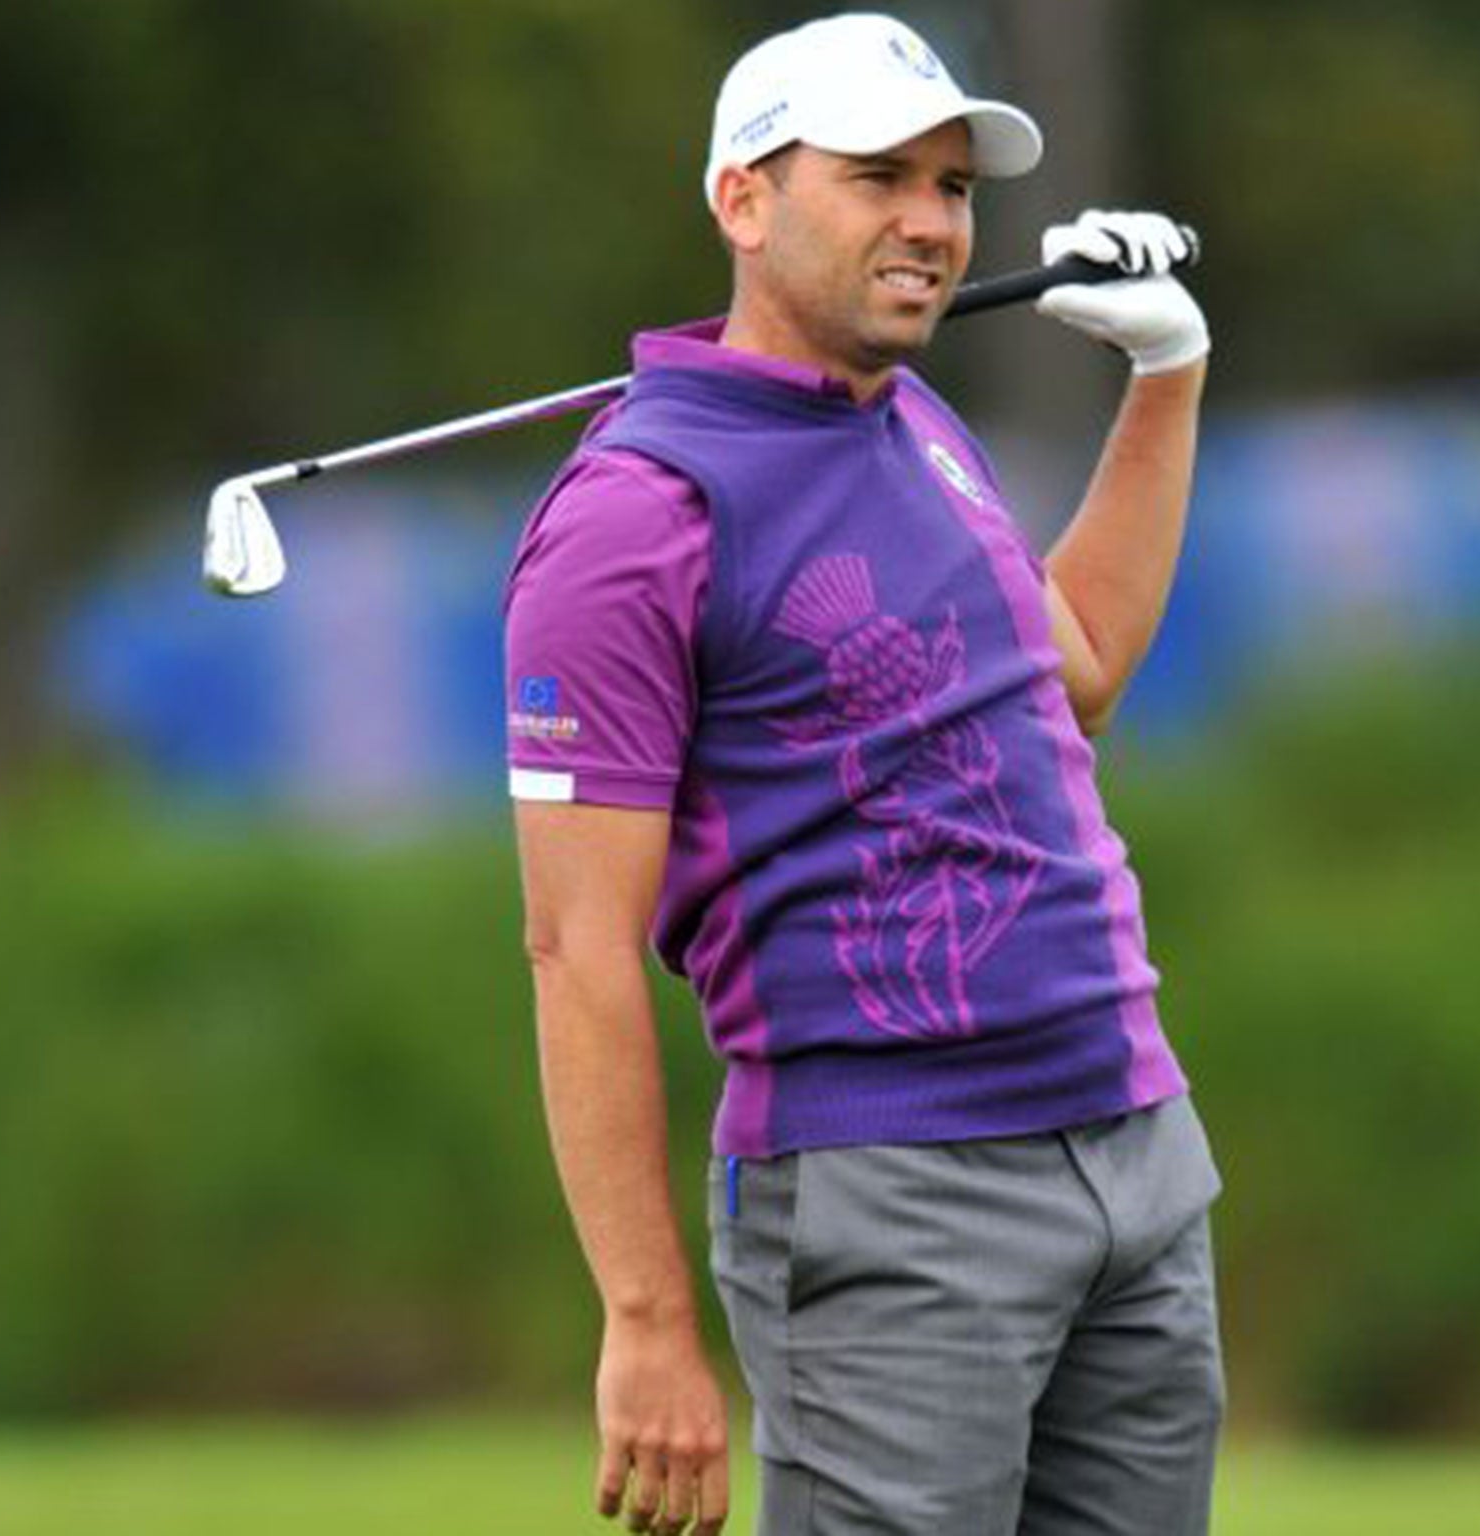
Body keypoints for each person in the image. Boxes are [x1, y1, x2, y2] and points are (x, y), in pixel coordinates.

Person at [504, 13, 1219, 1534]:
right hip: (893, 1194)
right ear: (743, 201)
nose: (931, 223)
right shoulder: (636, 513)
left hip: (1137, 1150)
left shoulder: (911, 420)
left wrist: (1167, 379)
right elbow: (576, 952)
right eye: (877, 175)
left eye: (954, 188)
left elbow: (1074, 662)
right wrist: (644, 1320)